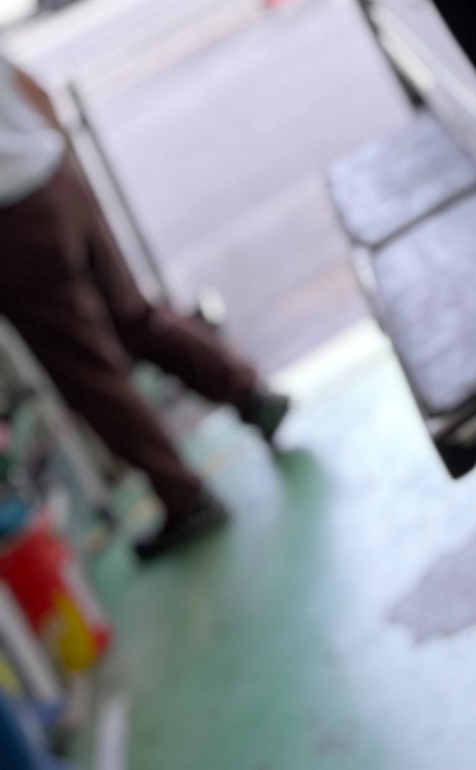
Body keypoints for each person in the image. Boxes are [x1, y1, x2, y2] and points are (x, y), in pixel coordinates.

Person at [0, 53, 287, 560]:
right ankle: (249, 393)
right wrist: (62, 165)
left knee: (89, 373)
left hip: (13, 222)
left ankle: (184, 497)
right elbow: (34, 90)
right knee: (133, 316)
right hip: (57, 177)